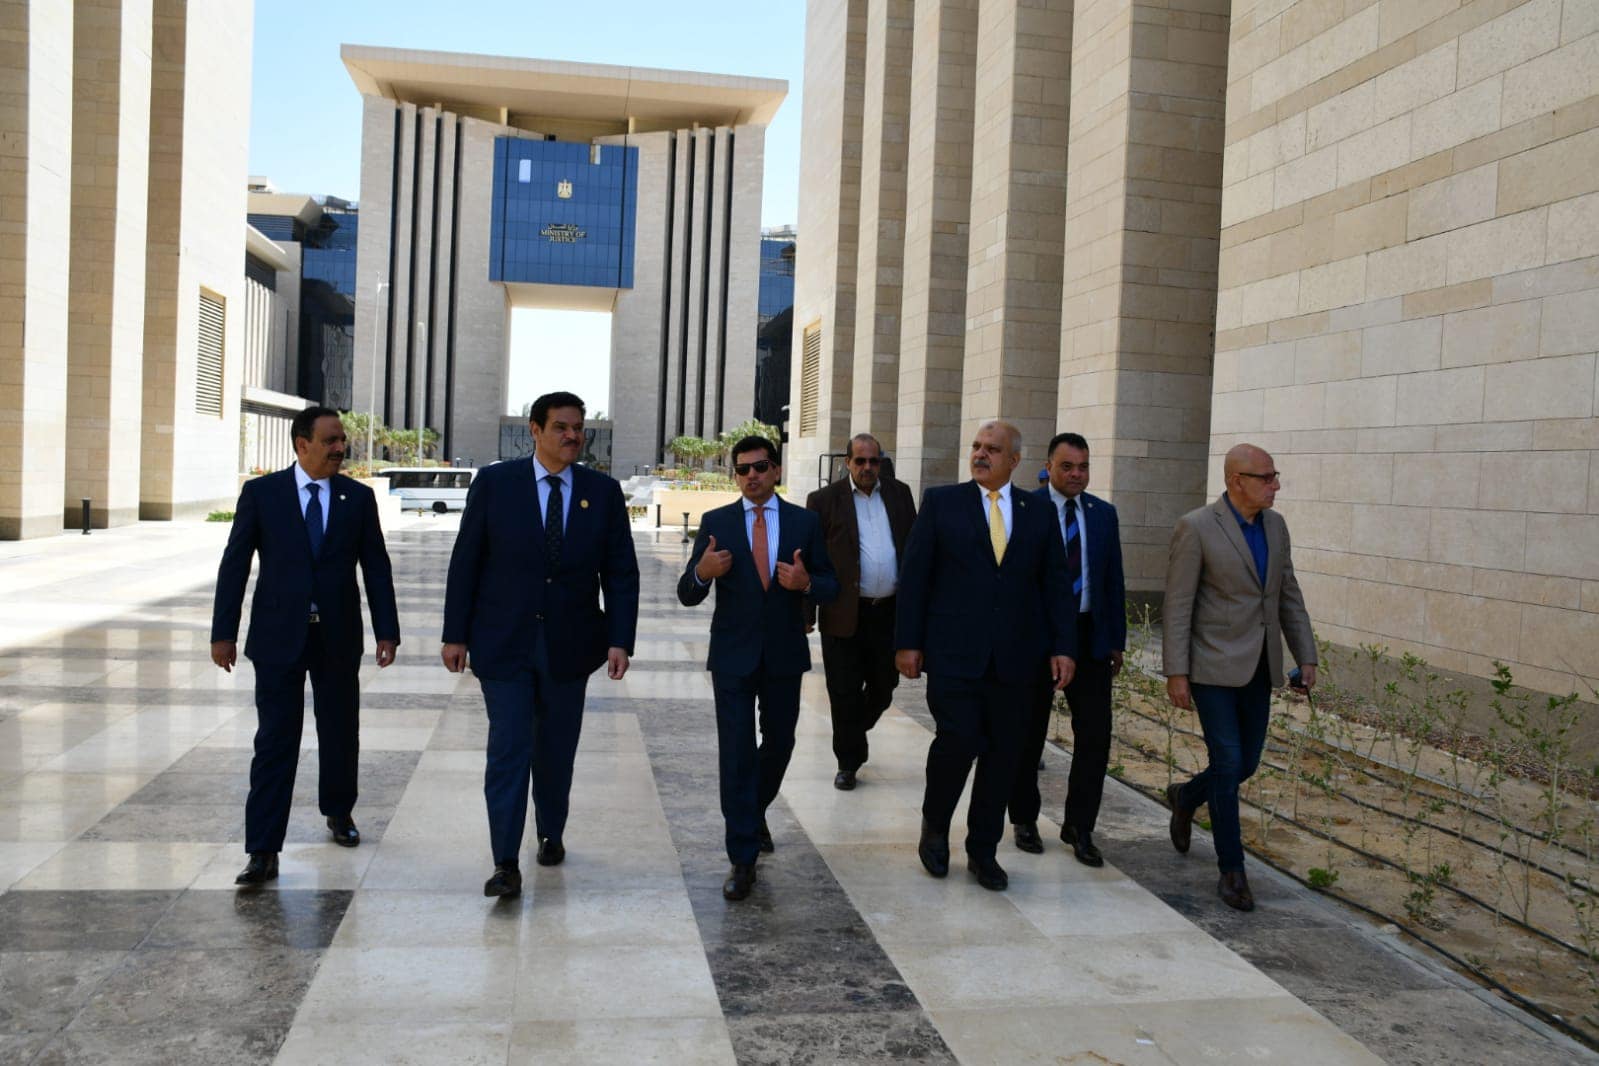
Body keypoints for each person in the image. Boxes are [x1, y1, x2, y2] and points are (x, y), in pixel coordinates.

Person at [441, 391, 639, 899]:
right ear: (535, 430)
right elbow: (466, 560)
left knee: (555, 750)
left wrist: (620, 639)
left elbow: (620, 572)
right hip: (503, 642)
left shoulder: (603, 492)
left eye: (578, 428)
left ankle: (551, 829)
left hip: (570, 646)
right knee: (509, 748)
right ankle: (505, 862)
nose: (573, 436)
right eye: (561, 427)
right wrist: (454, 633)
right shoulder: (495, 483)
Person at [211, 405, 400, 887]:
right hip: (278, 638)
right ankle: (262, 849)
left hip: (337, 636)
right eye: (331, 440)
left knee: (340, 731)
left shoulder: (357, 498)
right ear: (302, 444)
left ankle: (339, 811)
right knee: (275, 740)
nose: (340, 448)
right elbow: (235, 564)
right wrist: (223, 633)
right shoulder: (263, 494)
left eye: (342, 440)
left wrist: (387, 630)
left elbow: (376, 566)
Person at [894, 420, 1076, 892]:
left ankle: (983, 850)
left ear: (1014, 460)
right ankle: (935, 829)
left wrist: (1063, 647)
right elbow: (915, 577)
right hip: (955, 655)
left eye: (992, 449)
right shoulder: (941, 503)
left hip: (1018, 661)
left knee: (1003, 755)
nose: (980, 454)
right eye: (976, 446)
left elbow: (1056, 584)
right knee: (956, 742)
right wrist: (908, 642)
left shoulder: (1037, 512)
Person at [678, 436, 838, 901]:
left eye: (760, 466)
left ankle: (752, 810)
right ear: (735, 476)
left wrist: (806, 583)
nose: (752, 475)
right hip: (732, 657)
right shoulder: (717, 523)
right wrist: (703, 572)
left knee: (781, 742)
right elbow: (687, 593)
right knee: (736, 751)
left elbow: (831, 585)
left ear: (776, 470)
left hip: (784, 655)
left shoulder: (805, 522)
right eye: (743, 469)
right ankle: (742, 857)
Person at [1163, 443, 1316, 912]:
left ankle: (1186, 796)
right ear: (1236, 481)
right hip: (1211, 666)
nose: (1276, 485)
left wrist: (1306, 655)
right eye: (1266, 477)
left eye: (1275, 476)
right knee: (1228, 763)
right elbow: (1179, 604)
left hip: (1260, 666)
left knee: (1245, 764)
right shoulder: (1196, 527)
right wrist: (1176, 671)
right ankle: (1232, 870)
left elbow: (1287, 593)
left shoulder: (1276, 526)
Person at [1010, 432, 1126, 866]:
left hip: (1089, 638)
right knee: (1028, 732)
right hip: (1036, 639)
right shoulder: (1025, 509)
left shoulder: (1103, 514)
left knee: (1095, 735)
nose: (1077, 475)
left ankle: (1080, 826)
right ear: (1048, 467)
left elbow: (1113, 580)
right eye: (1067, 466)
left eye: (1083, 467)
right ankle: (1024, 817)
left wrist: (1115, 640)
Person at [804, 433, 916, 791]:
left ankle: (853, 731)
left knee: (885, 687)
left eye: (874, 461)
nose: (867, 467)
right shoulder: (823, 501)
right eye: (860, 461)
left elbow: (912, 551)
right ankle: (848, 762)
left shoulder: (900, 494)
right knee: (843, 691)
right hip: (842, 612)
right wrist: (806, 612)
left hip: (889, 614)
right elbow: (811, 559)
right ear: (847, 462)